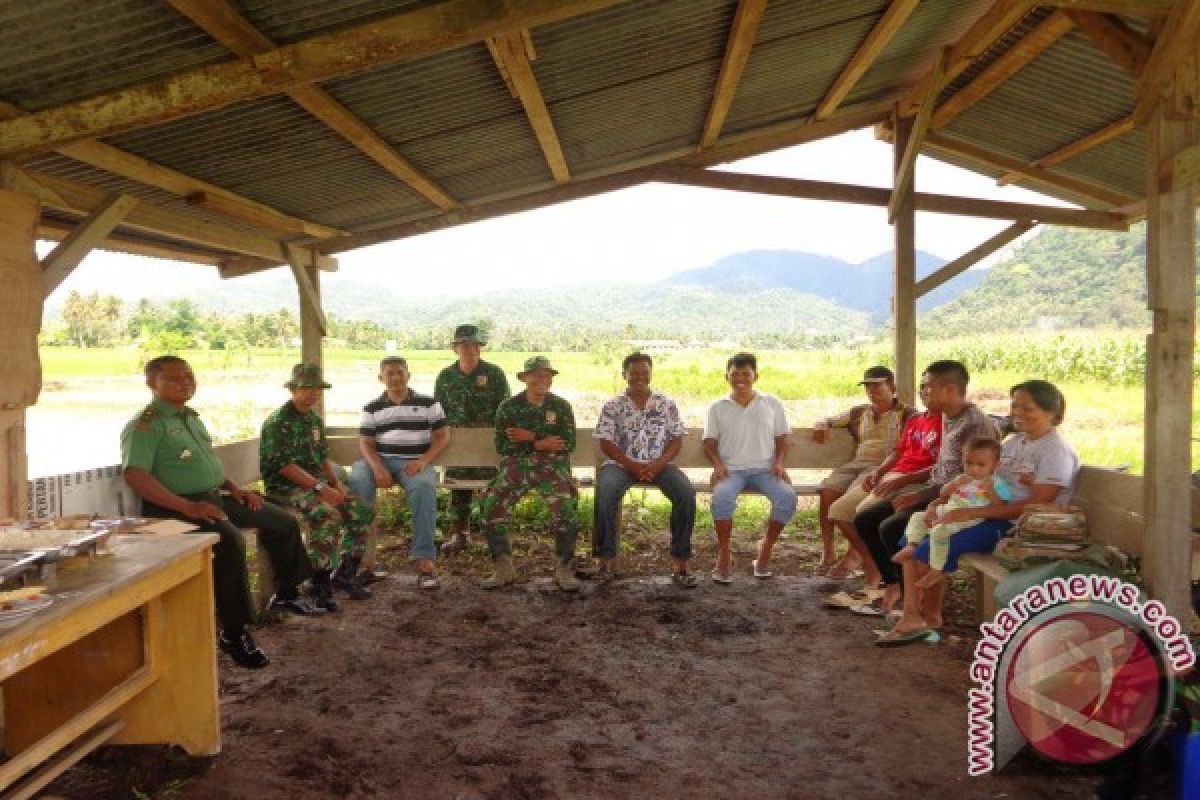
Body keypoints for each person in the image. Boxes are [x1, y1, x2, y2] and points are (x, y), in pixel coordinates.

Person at [121, 356, 322, 671]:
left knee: (281, 520)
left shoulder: (189, 417)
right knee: (229, 542)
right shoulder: (145, 425)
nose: (185, 382)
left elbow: (205, 462)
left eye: (189, 376)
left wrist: (233, 486)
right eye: (174, 379)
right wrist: (187, 506)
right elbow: (136, 476)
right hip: (174, 508)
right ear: (152, 384)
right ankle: (233, 631)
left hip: (216, 496)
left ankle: (287, 591)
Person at [878, 380, 1079, 646]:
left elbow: (1037, 504)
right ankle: (921, 615)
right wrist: (941, 502)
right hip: (984, 514)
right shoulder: (1013, 443)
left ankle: (918, 616)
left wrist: (969, 512)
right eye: (1015, 405)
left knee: (934, 541)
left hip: (1016, 526)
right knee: (915, 534)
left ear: (1051, 412)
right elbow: (977, 476)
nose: (1017, 412)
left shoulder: (1055, 450)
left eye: (1027, 408)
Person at [854, 360, 998, 617]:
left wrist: (922, 496)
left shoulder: (975, 424)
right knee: (866, 519)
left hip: (962, 501)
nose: (924, 393)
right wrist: (919, 491)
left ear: (950, 390)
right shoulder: (947, 416)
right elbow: (942, 468)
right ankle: (897, 587)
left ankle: (914, 602)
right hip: (936, 491)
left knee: (891, 527)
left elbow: (972, 477)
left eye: (928, 387)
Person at [260, 363, 375, 610]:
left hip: (315, 483)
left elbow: (321, 458)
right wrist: (322, 490)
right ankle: (318, 582)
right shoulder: (279, 421)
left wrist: (336, 485)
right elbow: (285, 467)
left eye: (318, 388)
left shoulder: (313, 420)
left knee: (360, 510)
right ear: (293, 389)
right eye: (307, 388)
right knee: (325, 514)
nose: (313, 393)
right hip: (286, 487)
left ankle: (344, 574)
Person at [820, 382, 942, 610]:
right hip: (892, 474)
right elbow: (898, 451)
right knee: (838, 510)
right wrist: (880, 471)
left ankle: (890, 580)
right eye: (922, 388)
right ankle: (874, 567)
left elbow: (942, 466)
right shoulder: (917, 420)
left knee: (866, 515)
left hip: (914, 481)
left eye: (930, 387)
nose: (925, 392)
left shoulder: (944, 423)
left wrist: (903, 479)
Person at [592, 352, 697, 586]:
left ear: (651, 374)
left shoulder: (666, 404)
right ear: (624, 375)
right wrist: (633, 466)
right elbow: (606, 442)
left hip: (659, 465)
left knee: (686, 494)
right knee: (605, 491)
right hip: (621, 465)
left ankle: (681, 564)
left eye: (644, 373)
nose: (639, 377)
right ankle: (605, 561)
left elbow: (676, 439)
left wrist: (657, 464)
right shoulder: (612, 406)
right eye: (634, 373)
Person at [477, 356, 580, 592]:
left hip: (553, 468)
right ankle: (503, 569)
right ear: (525, 378)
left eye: (546, 375)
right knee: (492, 505)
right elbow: (503, 445)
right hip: (517, 466)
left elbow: (568, 443)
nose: (541, 380)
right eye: (535, 375)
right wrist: (543, 442)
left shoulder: (561, 406)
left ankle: (564, 569)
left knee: (566, 509)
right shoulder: (509, 406)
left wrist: (531, 438)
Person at [348, 356, 449, 590]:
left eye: (399, 372)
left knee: (424, 487)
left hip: (414, 463)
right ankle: (358, 560)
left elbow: (443, 436)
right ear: (380, 378)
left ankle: (425, 564)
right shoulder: (371, 407)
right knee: (358, 479)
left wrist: (423, 461)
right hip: (379, 460)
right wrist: (377, 466)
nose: (395, 377)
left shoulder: (428, 403)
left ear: (408, 375)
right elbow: (366, 443)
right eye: (389, 373)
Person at [703, 352, 796, 584]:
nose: (741, 379)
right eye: (735, 374)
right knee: (721, 499)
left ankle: (765, 550)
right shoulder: (717, 406)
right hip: (732, 471)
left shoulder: (771, 403)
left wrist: (779, 463)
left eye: (746, 373)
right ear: (727, 377)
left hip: (765, 470)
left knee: (787, 497)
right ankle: (724, 553)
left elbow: (782, 438)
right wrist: (718, 465)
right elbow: (709, 441)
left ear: (756, 376)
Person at [811, 365, 913, 578]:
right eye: (868, 387)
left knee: (853, 499)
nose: (872, 391)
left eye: (878, 386)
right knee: (828, 491)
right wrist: (822, 424)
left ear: (892, 387)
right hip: (856, 464)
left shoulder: (908, 414)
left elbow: (907, 449)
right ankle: (828, 551)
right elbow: (829, 419)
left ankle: (856, 555)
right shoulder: (859, 412)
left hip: (883, 467)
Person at [893, 437, 1013, 589]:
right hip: (948, 510)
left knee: (939, 532)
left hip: (969, 517)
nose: (974, 469)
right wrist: (953, 485)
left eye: (981, 465)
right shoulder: (962, 479)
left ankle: (937, 569)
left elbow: (1000, 506)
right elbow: (943, 494)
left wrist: (990, 491)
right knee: (917, 517)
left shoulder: (997, 483)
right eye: (969, 463)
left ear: (996, 465)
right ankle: (912, 545)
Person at [433, 324, 510, 555]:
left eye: (474, 345)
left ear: (480, 348)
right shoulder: (445, 376)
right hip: (456, 444)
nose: (469, 349)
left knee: (493, 491)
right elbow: (438, 410)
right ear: (456, 349)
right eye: (464, 345)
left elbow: (505, 408)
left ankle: (493, 537)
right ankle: (460, 535)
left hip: (487, 444)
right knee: (459, 492)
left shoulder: (494, 374)